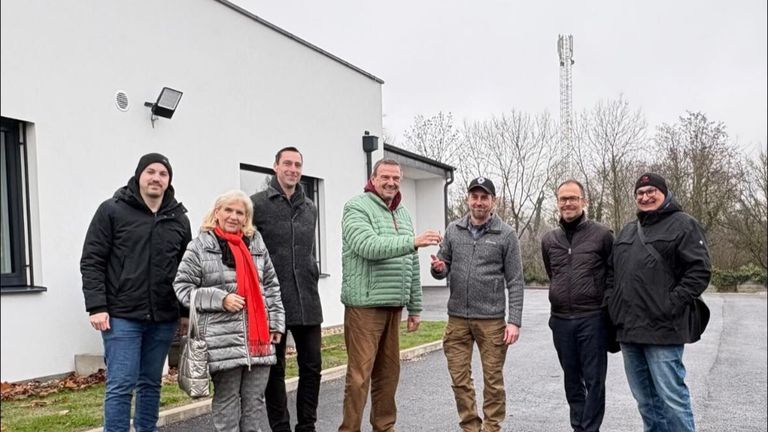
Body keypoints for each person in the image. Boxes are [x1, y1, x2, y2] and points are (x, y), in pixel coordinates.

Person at [80, 153, 192, 432]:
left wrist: (185, 313)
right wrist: (97, 306)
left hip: (163, 318)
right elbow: (92, 260)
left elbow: (185, 271)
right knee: (121, 384)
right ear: (139, 175)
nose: (156, 178)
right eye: (150, 172)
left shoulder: (178, 218)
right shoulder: (113, 210)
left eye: (163, 174)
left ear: (169, 180)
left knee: (151, 384)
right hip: (121, 316)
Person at [338, 159, 442, 432]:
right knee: (360, 377)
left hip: (394, 306)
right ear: (373, 179)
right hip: (365, 306)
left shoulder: (404, 214)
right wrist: (412, 241)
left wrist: (416, 307)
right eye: (385, 177)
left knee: (389, 375)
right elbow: (367, 246)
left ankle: (384, 427)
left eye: (396, 178)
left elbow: (410, 263)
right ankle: (349, 429)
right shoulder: (356, 207)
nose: (391, 182)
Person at [605, 173, 711, 432]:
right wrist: (613, 305)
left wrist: (670, 303)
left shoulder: (684, 224)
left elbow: (699, 271)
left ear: (665, 193)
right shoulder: (629, 230)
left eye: (651, 191)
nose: (645, 196)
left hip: (664, 330)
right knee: (646, 402)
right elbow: (612, 273)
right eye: (640, 193)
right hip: (629, 330)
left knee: (673, 400)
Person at [174, 190, 285, 432]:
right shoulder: (200, 246)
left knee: (255, 401)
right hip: (221, 338)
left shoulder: (256, 242)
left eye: (240, 212)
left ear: (247, 217)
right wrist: (220, 299)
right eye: (228, 210)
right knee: (227, 402)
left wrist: (276, 323)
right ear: (217, 213)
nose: (234, 216)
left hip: (259, 338)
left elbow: (271, 284)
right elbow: (182, 288)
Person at [430, 176, 525, 432]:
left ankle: (492, 427)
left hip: (492, 321)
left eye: (485, 197)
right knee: (460, 380)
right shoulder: (453, 230)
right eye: (475, 196)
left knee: (493, 382)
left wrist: (514, 320)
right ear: (468, 199)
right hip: (458, 320)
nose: (479, 202)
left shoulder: (506, 235)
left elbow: (515, 280)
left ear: (493, 201)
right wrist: (439, 268)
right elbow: (442, 266)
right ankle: (470, 427)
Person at [251, 147, 323, 432]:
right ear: (275, 167)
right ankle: (280, 427)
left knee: (312, 367)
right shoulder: (257, 204)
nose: (293, 169)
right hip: (272, 301)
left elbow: (308, 251)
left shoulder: (310, 207)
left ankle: (307, 426)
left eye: (298, 165)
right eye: (287, 164)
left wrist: (312, 272)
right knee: (274, 370)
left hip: (307, 298)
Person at [541, 179, 614, 432]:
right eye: (563, 199)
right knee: (572, 380)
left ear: (584, 201)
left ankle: (590, 428)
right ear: (557, 203)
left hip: (592, 318)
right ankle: (578, 427)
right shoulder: (549, 239)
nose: (568, 203)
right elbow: (554, 274)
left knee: (594, 381)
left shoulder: (603, 235)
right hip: (561, 320)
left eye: (573, 198)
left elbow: (611, 276)